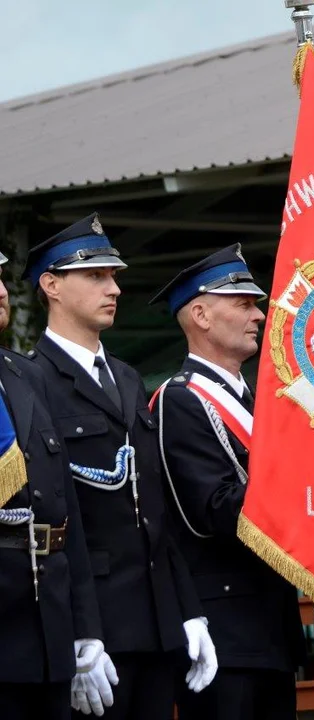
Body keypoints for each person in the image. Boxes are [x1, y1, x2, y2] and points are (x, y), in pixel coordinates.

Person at [24, 213, 216, 719]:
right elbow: (52, 518)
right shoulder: (33, 382)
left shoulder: (128, 378)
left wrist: (189, 610)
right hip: (97, 632)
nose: (113, 287)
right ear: (51, 286)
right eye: (95, 276)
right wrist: (78, 632)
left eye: (113, 276)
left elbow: (155, 506)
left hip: (154, 622)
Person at [148, 245, 305, 720]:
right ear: (200, 314)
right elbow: (214, 509)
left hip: (272, 624)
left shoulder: (260, 402)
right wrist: (309, 493)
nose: (259, 315)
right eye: (243, 304)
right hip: (225, 629)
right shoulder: (180, 400)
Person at [0, 248, 113, 719]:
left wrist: (86, 628)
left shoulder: (23, 374)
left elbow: (68, 515)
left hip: (47, 619)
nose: (1, 292)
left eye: (1, 280)